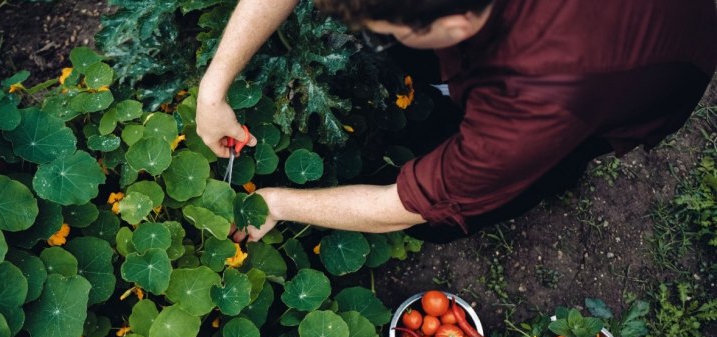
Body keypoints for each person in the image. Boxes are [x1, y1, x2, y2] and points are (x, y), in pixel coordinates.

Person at [196, 0, 717, 243]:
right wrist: (213, 86)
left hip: (633, 78)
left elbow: (402, 206)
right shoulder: (458, 23)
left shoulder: (538, 99)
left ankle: (551, 174)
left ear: (454, 23)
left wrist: (276, 203)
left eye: (383, 32)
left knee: (447, 219)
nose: (376, 41)